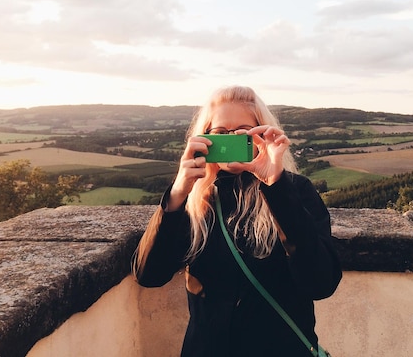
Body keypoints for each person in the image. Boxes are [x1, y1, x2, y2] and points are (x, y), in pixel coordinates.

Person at [133, 85, 342, 357]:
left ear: (262, 135)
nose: (231, 141)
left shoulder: (295, 190)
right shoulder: (195, 200)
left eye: (243, 132)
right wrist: (177, 194)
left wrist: (276, 187)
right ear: (204, 138)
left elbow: (321, 283)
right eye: (220, 134)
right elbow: (149, 275)